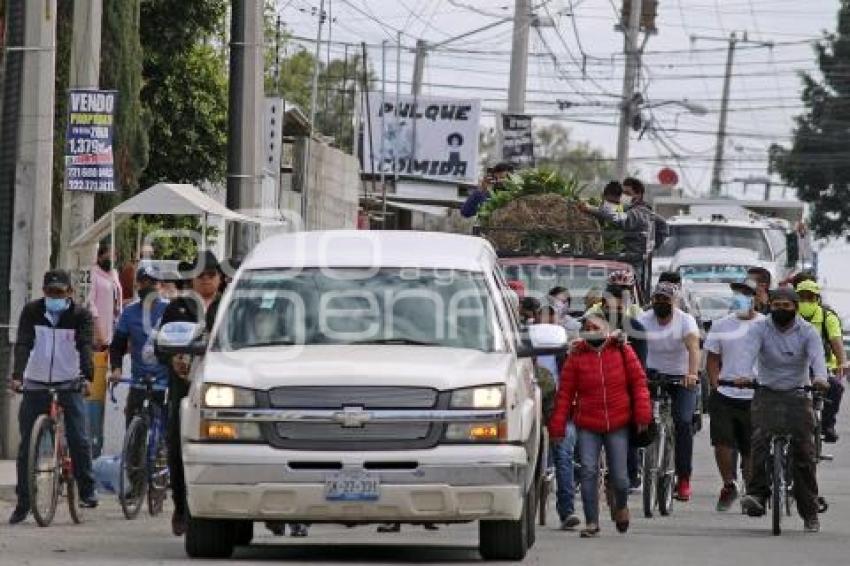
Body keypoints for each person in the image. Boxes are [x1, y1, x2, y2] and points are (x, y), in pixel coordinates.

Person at [8, 269, 98, 524]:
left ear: (70, 292)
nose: (54, 296)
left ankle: (87, 490)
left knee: (79, 437)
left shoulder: (81, 316)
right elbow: (24, 343)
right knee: (27, 445)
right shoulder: (32, 311)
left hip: (70, 382)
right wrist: (17, 376)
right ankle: (24, 502)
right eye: (50, 292)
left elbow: (85, 346)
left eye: (59, 292)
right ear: (43, 292)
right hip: (35, 382)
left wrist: (87, 377)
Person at [549, 315, 651, 538]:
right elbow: (564, 395)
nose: (591, 330)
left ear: (607, 329)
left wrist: (643, 414)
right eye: (586, 327)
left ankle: (621, 505)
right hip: (587, 424)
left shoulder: (623, 350)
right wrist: (557, 427)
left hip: (618, 422)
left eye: (596, 327)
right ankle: (592, 521)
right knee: (588, 471)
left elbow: (638, 383)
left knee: (621, 477)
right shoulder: (576, 356)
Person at [739, 287, 830, 533]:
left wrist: (820, 378)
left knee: (804, 452)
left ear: (796, 307)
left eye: (786, 306)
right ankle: (756, 496)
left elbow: (817, 358)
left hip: (799, 394)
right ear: (770, 306)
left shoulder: (808, 332)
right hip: (766, 391)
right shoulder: (760, 328)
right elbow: (748, 352)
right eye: (776, 305)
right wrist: (745, 375)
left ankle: (810, 512)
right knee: (758, 440)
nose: (781, 310)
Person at [157, 252, 222, 536]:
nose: (206, 281)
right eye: (201, 276)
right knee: (176, 446)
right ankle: (181, 508)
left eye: (211, 275)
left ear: (220, 278)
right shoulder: (177, 307)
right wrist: (172, 360)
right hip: (184, 389)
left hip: (221, 390)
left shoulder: (228, 306)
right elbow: (162, 343)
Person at [704, 278, 764, 512]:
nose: (741, 298)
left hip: (755, 395)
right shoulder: (722, 325)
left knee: (750, 448)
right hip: (725, 393)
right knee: (722, 444)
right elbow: (712, 358)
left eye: (746, 294)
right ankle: (729, 484)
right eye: (737, 294)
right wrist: (714, 384)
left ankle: (751, 492)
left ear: (755, 298)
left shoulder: (765, 325)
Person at [638, 282, 701, 502]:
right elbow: (633, 347)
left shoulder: (685, 320)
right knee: (638, 418)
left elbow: (694, 347)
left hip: (681, 378)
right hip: (651, 376)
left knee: (682, 422)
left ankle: (683, 478)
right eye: (657, 299)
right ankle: (636, 467)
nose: (661, 304)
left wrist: (692, 374)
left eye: (666, 300)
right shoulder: (643, 319)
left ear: (674, 301)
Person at [534, 306, 580, 531]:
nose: (548, 322)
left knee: (564, 455)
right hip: (530, 407)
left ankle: (567, 511)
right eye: (544, 317)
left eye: (552, 317)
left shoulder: (568, 350)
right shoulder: (522, 347)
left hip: (561, 408)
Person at [580, 177, 668, 289]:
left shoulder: (639, 212)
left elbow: (620, 219)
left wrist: (590, 209)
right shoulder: (628, 209)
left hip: (633, 266)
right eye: (623, 193)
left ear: (638, 195)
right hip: (623, 263)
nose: (623, 196)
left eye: (627, 193)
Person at [109, 265, 170, 426]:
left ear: (160, 285)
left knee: (170, 429)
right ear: (137, 285)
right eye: (144, 282)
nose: (148, 287)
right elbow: (117, 345)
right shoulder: (129, 313)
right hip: (139, 382)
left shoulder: (170, 310)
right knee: (132, 427)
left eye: (153, 282)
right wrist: (116, 368)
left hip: (166, 383)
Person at [795, 279, 846, 443]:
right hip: (793, 368)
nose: (806, 302)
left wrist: (842, 362)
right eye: (801, 297)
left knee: (836, 387)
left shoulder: (827, 317)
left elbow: (836, 342)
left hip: (821, 368)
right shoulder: (789, 316)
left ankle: (827, 425)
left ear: (817, 299)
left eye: (810, 298)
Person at [86, 244, 123, 456]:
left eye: (113, 254)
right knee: (96, 392)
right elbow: (90, 304)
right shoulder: (93, 274)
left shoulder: (114, 273)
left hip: (114, 333)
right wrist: (97, 330)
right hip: (99, 337)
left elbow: (118, 299)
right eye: (108, 254)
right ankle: (94, 443)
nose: (111, 257)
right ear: (99, 256)